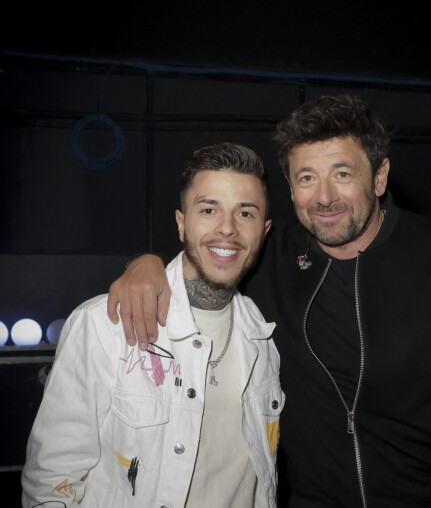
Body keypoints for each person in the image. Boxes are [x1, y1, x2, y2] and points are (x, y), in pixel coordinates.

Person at [107, 95, 431, 507]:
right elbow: (211, 246)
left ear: (380, 176)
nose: (324, 197)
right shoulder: (269, 256)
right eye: (307, 178)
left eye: (343, 174)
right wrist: (144, 263)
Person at [22, 143, 283, 508]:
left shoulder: (263, 338)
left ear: (264, 230)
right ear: (181, 224)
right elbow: (51, 481)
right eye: (209, 209)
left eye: (245, 213)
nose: (227, 228)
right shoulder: (104, 325)